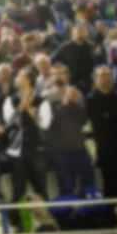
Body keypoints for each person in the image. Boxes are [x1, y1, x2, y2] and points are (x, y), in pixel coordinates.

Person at [38, 64, 95, 196]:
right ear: (50, 77)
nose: (58, 76)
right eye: (55, 74)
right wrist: (65, 103)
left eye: (61, 73)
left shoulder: (76, 93)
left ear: (67, 76)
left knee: (88, 182)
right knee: (66, 185)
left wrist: (74, 103)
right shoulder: (45, 97)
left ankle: (88, 212)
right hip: (59, 149)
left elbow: (83, 119)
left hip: (79, 146)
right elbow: (46, 125)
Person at [86, 66, 117, 198]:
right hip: (105, 145)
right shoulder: (91, 100)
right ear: (95, 79)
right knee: (109, 179)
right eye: (102, 76)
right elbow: (99, 121)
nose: (106, 78)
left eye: (108, 75)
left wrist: (109, 115)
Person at [2, 69, 47, 201]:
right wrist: (22, 107)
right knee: (18, 188)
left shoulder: (40, 99)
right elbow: (9, 122)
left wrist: (28, 108)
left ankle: (47, 218)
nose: (16, 79)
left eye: (19, 76)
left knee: (41, 187)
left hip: (37, 149)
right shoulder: (10, 100)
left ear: (28, 80)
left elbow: (44, 123)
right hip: (18, 151)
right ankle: (17, 219)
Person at [51, 24, 95, 94]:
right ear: (72, 33)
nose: (80, 33)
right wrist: (61, 71)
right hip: (71, 81)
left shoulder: (91, 46)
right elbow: (53, 59)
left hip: (88, 81)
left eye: (83, 31)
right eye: (78, 31)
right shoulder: (65, 47)